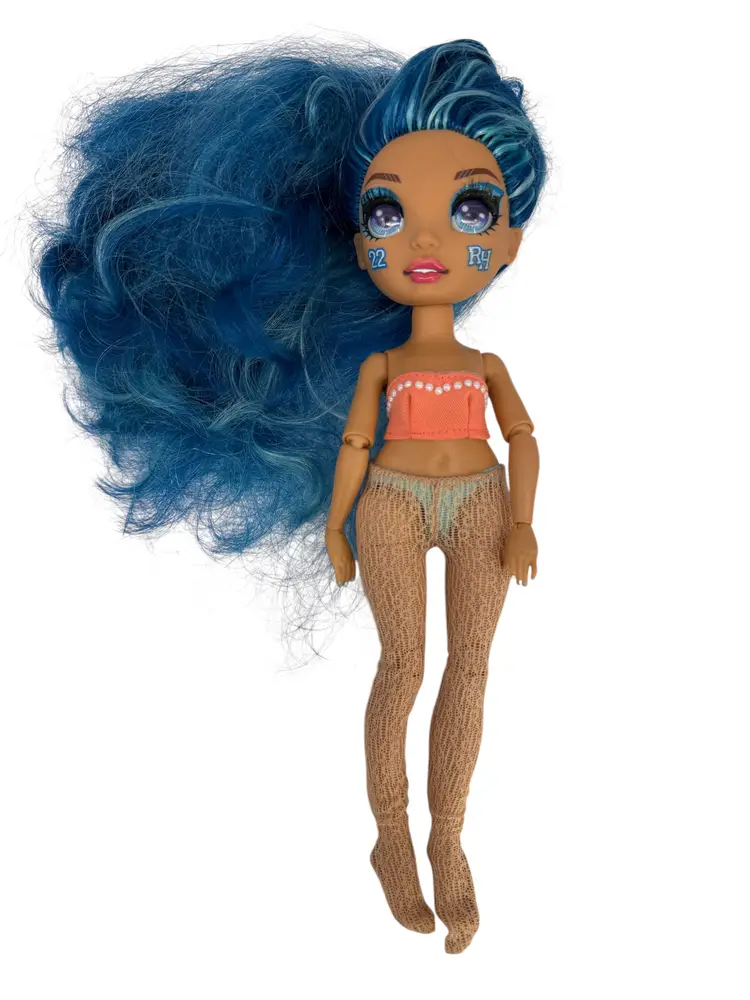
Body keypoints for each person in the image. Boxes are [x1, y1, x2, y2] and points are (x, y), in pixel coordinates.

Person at [30, 35, 546, 952]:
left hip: (479, 499)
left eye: (469, 209)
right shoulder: (380, 367)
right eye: (388, 212)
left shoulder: (483, 365)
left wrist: (522, 522)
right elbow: (355, 441)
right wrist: (341, 525)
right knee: (404, 667)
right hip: (390, 500)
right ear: (357, 234)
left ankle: (448, 839)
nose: (426, 238)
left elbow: (522, 438)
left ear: (504, 244)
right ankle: (392, 838)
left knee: (469, 667)